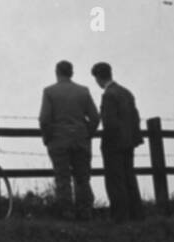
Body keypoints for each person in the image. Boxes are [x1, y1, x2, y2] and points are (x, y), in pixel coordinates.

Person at [39, 60, 100, 219]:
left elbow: (44, 119)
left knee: (62, 177)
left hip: (59, 140)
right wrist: (87, 134)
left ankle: (67, 212)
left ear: (57, 72)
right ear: (71, 73)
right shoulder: (83, 91)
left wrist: (47, 138)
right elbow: (94, 117)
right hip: (80, 140)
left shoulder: (49, 92)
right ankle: (86, 211)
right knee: (83, 177)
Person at [90, 62, 145, 222]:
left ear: (98, 78)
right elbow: (135, 117)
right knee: (129, 178)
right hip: (129, 142)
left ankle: (119, 216)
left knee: (115, 181)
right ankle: (136, 214)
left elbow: (109, 122)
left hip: (114, 144)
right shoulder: (126, 92)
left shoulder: (108, 95)